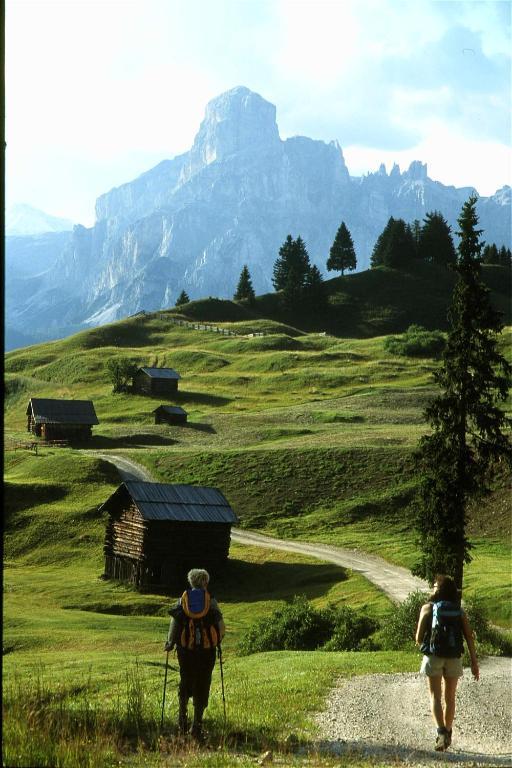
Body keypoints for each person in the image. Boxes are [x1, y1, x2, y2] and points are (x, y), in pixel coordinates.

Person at [415, 573, 479, 752]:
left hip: (433, 656)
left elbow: (419, 638)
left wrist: (427, 640)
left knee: (435, 696)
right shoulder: (459, 611)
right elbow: (469, 637)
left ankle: (441, 732)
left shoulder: (427, 608)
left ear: (438, 590)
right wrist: (474, 662)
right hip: (454, 657)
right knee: (450, 698)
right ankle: (448, 732)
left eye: (435, 585)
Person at [165, 568, 225, 740]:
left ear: (191, 581)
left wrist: (170, 643)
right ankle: (197, 724)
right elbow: (221, 628)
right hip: (207, 652)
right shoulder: (211, 602)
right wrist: (217, 641)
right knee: (203, 682)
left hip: (186, 651)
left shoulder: (183, 600)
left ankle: (182, 717)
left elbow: (174, 624)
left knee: (186, 679)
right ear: (205, 582)